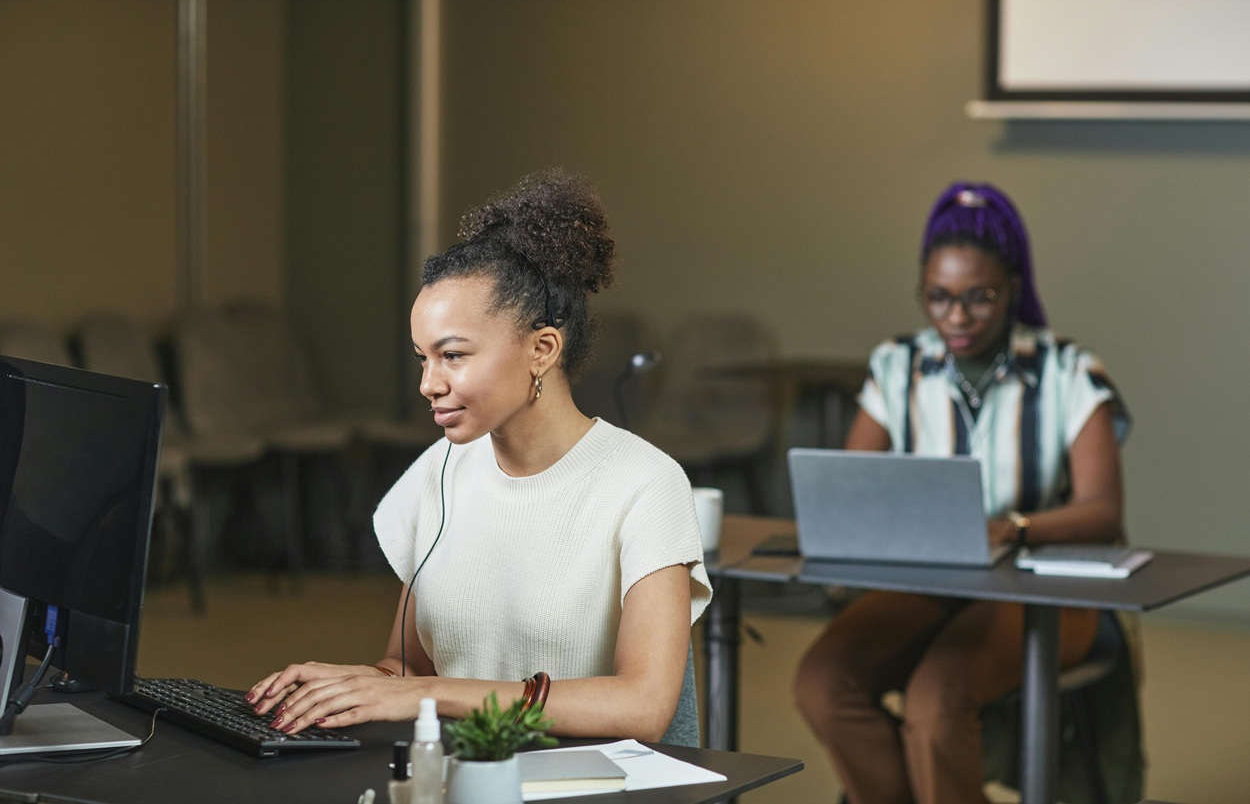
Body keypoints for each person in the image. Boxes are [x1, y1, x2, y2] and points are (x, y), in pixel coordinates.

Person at [248, 169, 712, 744]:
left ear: (542, 349)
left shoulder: (646, 483)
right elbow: (407, 668)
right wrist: (346, 686)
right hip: (466, 776)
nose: (429, 383)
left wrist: (425, 693)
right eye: (423, 358)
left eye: (452, 356)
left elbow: (641, 707)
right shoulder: (437, 469)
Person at [793, 181, 1130, 804]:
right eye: (939, 298)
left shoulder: (1068, 370)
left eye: (978, 298)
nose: (955, 317)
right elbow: (850, 488)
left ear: (1013, 290)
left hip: (1047, 591)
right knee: (822, 681)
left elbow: (1103, 512)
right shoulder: (898, 364)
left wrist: (1013, 528)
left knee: (937, 697)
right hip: (931, 580)